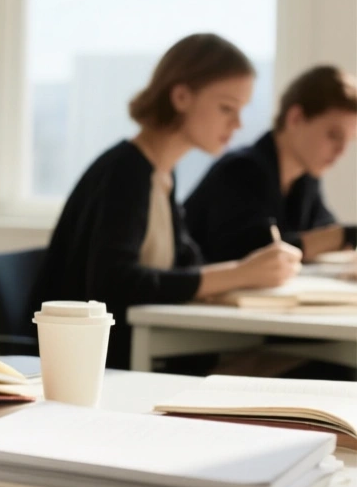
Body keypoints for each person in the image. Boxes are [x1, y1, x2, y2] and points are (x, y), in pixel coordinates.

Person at [31, 33, 302, 370]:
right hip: (92, 365)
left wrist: (248, 270)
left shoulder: (162, 175)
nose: (237, 124)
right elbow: (115, 283)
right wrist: (238, 274)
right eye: (226, 108)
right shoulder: (126, 172)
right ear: (182, 96)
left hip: (137, 352)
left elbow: (183, 266)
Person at [186, 65, 357, 262]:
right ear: (296, 118)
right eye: (334, 136)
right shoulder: (240, 170)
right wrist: (343, 236)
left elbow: (327, 235)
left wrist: (341, 239)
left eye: (349, 140)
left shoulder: (305, 180)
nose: (342, 151)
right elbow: (249, 255)